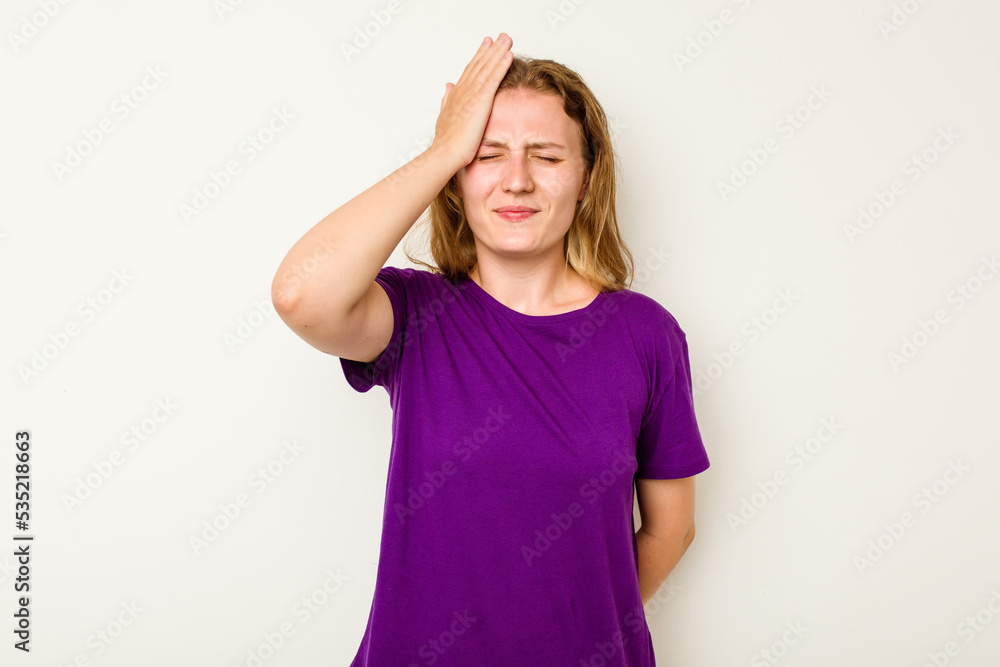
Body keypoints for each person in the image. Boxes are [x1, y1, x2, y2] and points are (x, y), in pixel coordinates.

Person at [271, 32, 709, 666]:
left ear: (586, 179)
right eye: (488, 154)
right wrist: (444, 148)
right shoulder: (414, 316)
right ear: (457, 180)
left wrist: (577, 635)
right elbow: (298, 294)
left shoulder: (646, 335)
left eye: (547, 157)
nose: (518, 180)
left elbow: (671, 529)